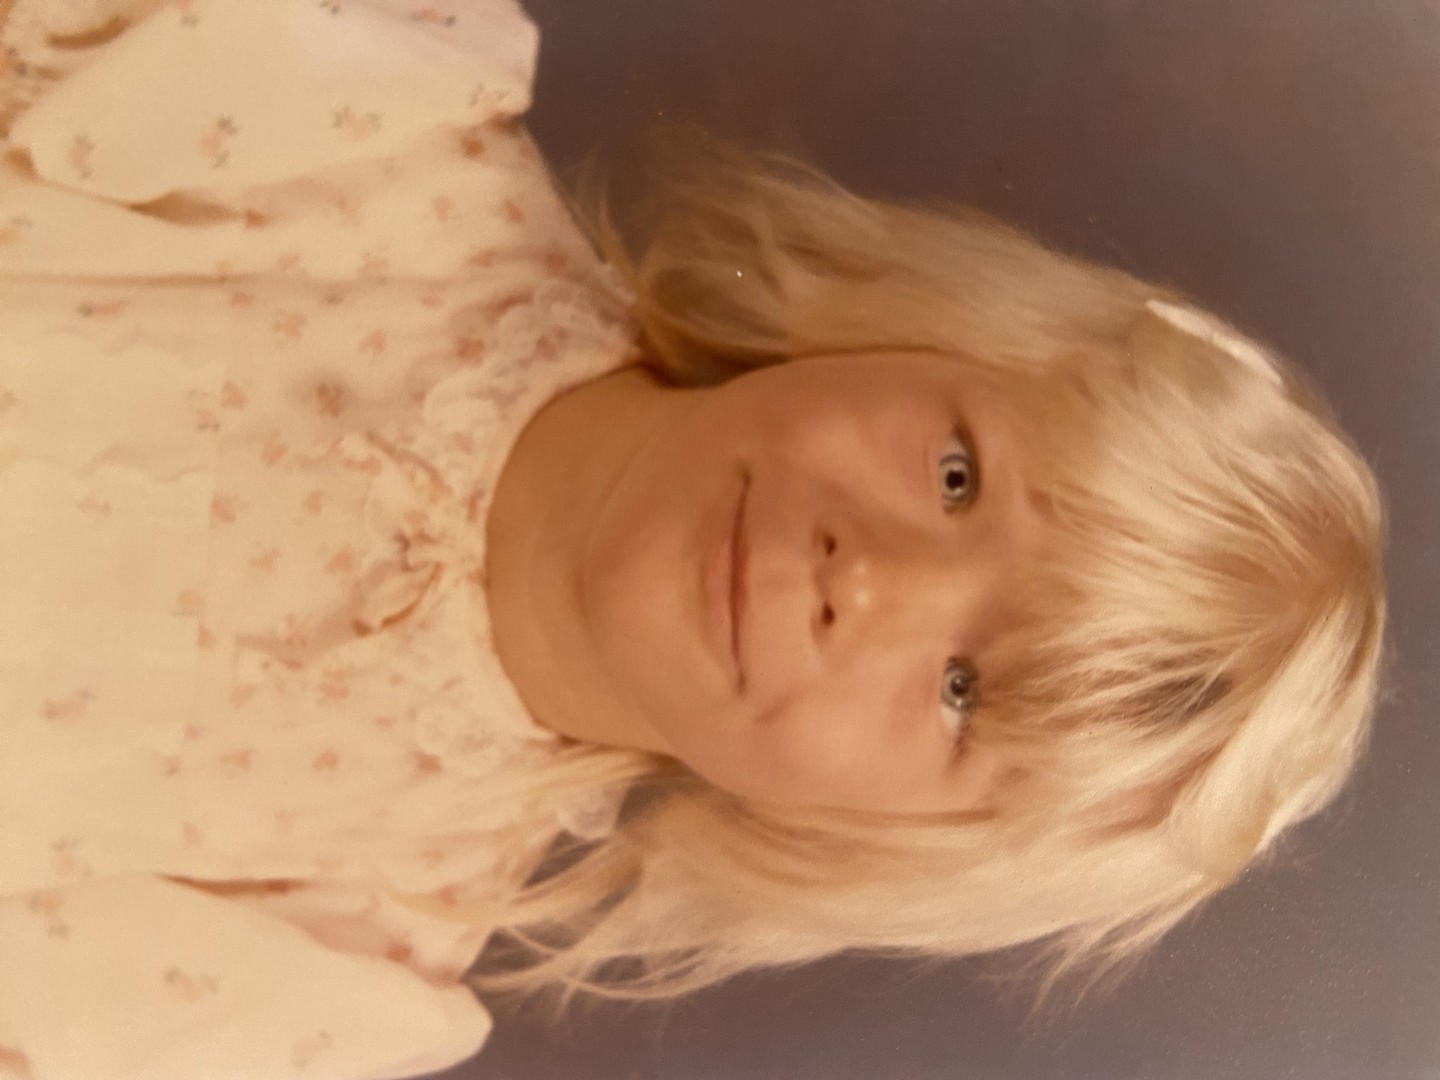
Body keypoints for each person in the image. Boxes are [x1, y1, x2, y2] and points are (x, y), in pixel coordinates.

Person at [0, 0, 1385, 1078]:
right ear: (927, 332)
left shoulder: (328, 948)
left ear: (884, 842)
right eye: (958, 475)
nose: (868, 579)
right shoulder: (368, 128)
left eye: (964, 692)